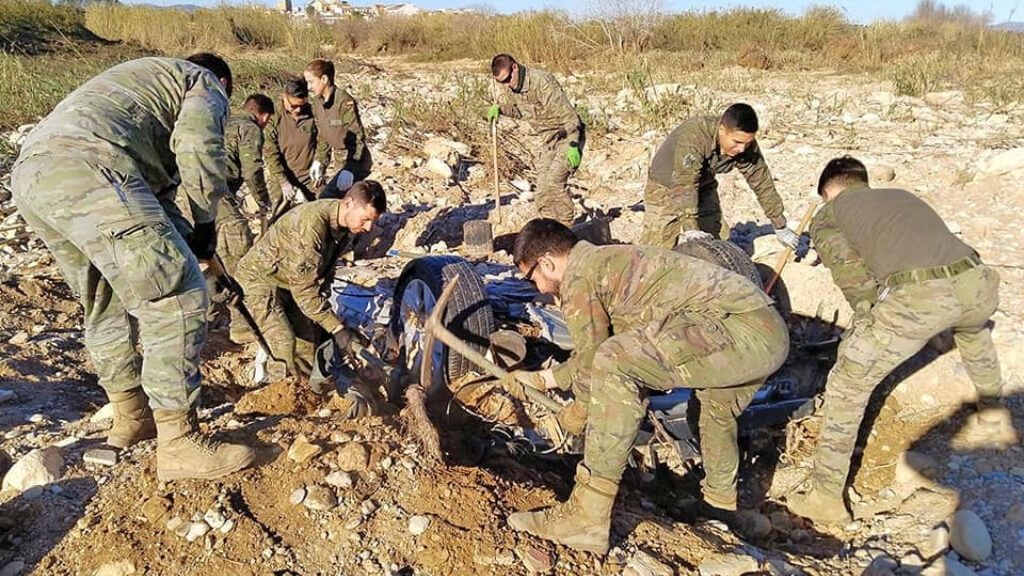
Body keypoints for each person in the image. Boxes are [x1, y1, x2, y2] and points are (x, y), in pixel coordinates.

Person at [10, 54, 254, 481]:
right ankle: (179, 442)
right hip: (93, 167)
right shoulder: (203, 82)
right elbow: (199, 149)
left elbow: (153, 206)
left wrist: (192, 246)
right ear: (223, 82)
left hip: (35, 176)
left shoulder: (141, 88)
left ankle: (132, 416)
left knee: (104, 299)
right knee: (176, 293)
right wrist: (206, 225)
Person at [504, 218, 789, 554]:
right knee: (714, 410)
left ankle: (587, 515)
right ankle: (721, 508)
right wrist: (544, 379)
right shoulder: (607, 260)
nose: (535, 287)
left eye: (531, 276)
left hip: (736, 330)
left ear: (547, 262)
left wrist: (576, 413)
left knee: (615, 361)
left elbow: (596, 359)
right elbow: (591, 357)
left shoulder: (580, 277)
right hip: (766, 331)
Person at [786, 156, 1017, 523]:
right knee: (972, 333)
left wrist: (866, 323)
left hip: (923, 297)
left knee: (848, 384)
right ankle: (991, 409)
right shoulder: (901, 197)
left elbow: (851, 275)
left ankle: (825, 497)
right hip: (978, 283)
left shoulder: (830, 214)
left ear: (829, 191)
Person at [235, 181, 386, 385]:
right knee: (284, 344)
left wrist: (326, 319)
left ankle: (305, 394)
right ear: (349, 203)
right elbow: (305, 291)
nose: (369, 228)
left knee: (306, 347)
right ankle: (275, 397)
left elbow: (326, 269)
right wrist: (337, 329)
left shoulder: (344, 226)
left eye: (373, 221)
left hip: (289, 281)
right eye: (366, 219)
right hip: (259, 279)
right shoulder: (311, 226)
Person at [640, 103, 800, 249]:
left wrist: (780, 226)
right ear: (722, 130)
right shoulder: (694, 136)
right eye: (737, 142)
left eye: (747, 143)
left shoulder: (745, 145)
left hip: (703, 184)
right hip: (666, 187)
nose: (742, 149)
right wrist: (690, 228)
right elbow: (684, 184)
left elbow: (762, 182)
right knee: (657, 250)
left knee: (718, 244)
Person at [487, 54, 584, 225]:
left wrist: (574, 144)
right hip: (549, 141)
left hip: (568, 136)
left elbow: (569, 117)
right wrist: (500, 109)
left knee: (554, 182)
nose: (507, 84)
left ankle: (567, 227)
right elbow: (522, 112)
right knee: (542, 190)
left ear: (515, 67)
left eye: (508, 78)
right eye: (502, 82)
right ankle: (549, 226)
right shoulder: (515, 87)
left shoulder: (541, 82)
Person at [219, 93, 274, 343]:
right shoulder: (250, 128)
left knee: (208, 256)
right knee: (240, 257)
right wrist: (263, 199)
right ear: (263, 115)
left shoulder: (223, 121)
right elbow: (252, 170)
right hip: (216, 194)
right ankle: (241, 327)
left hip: (190, 195)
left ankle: (212, 315)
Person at [303, 58, 372, 199]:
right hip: (339, 158)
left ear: (324, 79)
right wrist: (320, 161)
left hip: (355, 159)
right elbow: (323, 134)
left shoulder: (344, 102)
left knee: (334, 197)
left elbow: (357, 137)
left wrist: (350, 169)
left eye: (311, 82)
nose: (309, 87)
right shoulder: (317, 103)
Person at [263, 78, 320, 220]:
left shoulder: (313, 114)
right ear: (284, 98)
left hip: (309, 175)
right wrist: (283, 181)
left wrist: (320, 161)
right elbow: (270, 154)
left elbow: (323, 140)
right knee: (276, 216)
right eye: (293, 106)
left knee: (321, 211)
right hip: (283, 176)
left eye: (302, 105)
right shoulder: (273, 117)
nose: (298, 110)